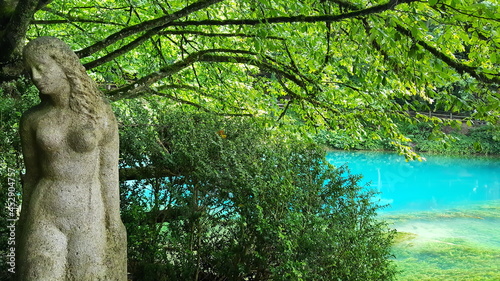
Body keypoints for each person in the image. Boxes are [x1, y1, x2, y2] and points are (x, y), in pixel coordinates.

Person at [17, 36, 127, 281]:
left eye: (41, 68)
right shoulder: (32, 119)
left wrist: (114, 220)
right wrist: (23, 221)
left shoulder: (100, 115)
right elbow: (32, 174)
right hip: (45, 210)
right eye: (30, 71)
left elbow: (109, 172)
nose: (35, 77)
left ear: (63, 65)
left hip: (89, 214)